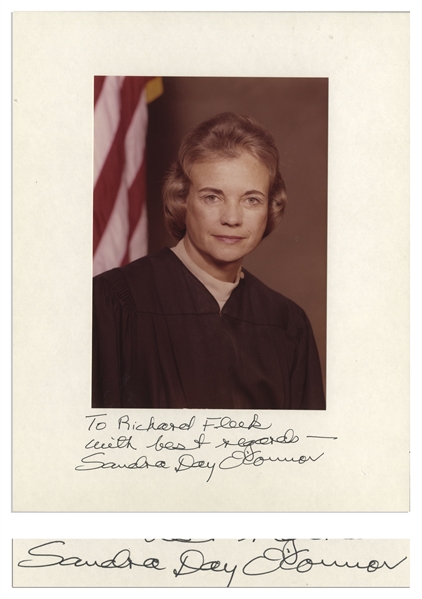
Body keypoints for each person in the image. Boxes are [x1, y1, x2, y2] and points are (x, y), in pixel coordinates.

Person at [92, 112, 325, 410]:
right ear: (182, 199)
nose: (231, 218)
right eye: (212, 197)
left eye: (251, 200)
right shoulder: (114, 303)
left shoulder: (288, 325)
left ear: (271, 207)